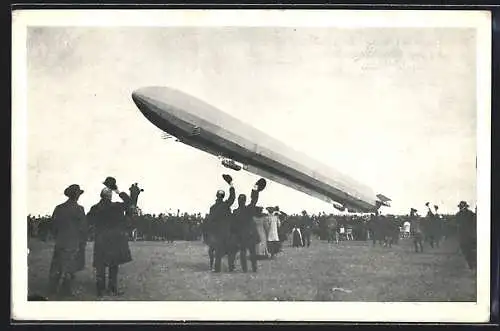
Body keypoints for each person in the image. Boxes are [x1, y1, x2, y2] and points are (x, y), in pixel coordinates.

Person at [87, 177, 133, 297]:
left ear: (101, 196)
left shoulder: (95, 208)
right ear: (110, 196)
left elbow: (88, 221)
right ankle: (112, 289)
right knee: (113, 265)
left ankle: (100, 290)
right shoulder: (116, 206)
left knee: (100, 266)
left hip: (101, 239)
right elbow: (129, 202)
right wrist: (118, 191)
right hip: (114, 240)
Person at [48, 184, 87, 298]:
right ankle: (66, 290)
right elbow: (83, 228)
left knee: (57, 266)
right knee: (70, 267)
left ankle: (52, 289)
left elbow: (53, 225)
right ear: (76, 195)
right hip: (73, 242)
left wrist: (58, 236)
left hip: (60, 240)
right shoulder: (79, 209)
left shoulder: (59, 208)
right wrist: (82, 241)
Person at [204, 174, 236, 273]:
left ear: (217, 196)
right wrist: (231, 185)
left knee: (218, 250)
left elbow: (210, 221)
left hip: (217, 232)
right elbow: (232, 197)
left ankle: (217, 268)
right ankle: (231, 267)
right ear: (223, 196)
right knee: (230, 249)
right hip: (227, 231)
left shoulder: (212, 207)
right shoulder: (226, 205)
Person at [232, 181, 263, 272]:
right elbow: (254, 200)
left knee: (243, 252)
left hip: (241, 236)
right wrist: (255, 189)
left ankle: (245, 269)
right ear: (245, 201)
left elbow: (233, 226)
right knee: (252, 252)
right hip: (250, 235)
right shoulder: (249, 209)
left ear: (238, 201)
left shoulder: (235, 212)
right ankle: (254, 268)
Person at [456, 201, 476, 270]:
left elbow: (475, 223)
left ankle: (472, 264)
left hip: (470, 235)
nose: (461, 208)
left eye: (463, 206)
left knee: (470, 251)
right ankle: (470, 263)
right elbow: (456, 223)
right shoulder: (458, 214)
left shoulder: (471, 214)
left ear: (466, 206)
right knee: (464, 250)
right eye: (460, 207)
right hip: (462, 235)